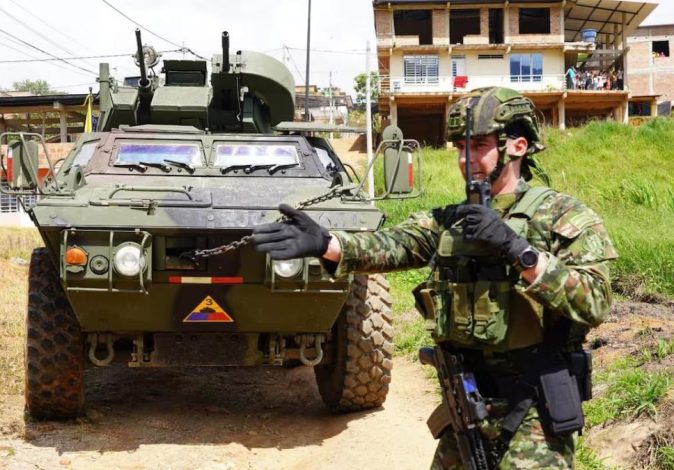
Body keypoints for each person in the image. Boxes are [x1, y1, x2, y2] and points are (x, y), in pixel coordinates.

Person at [252, 86, 618, 469]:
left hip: (534, 406)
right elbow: (393, 244)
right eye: (460, 147)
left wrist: (518, 250)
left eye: (478, 146)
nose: (465, 159)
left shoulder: (562, 216)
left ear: (518, 147)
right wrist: (325, 243)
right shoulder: (450, 221)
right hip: (467, 401)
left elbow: (594, 302)